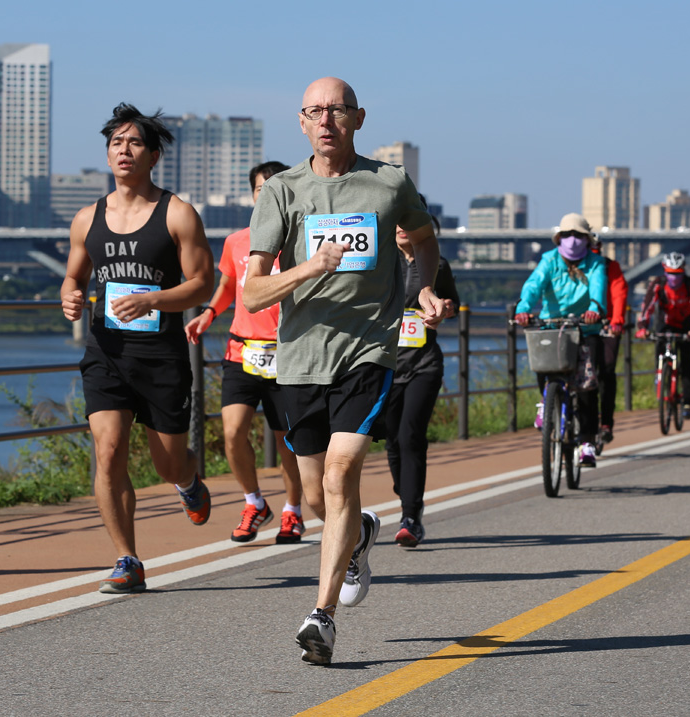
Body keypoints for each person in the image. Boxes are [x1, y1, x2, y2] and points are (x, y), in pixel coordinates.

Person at [242, 77, 445, 665]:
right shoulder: (281, 191)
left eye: (337, 109)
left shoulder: (388, 183)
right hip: (302, 357)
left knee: (341, 469)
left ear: (358, 118)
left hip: (369, 350)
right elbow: (254, 293)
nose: (326, 119)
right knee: (314, 499)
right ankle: (356, 537)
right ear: (301, 122)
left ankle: (322, 615)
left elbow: (423, 240)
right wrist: (309, 268)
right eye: (314, 111)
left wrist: (424, 284)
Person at [60, 103, 215, 594]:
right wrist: (68, 293)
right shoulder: (87, 218)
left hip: (161, 359)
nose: (123, 151)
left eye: (134, 144)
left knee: (167, 463)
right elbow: (74, 274)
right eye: (115, 143)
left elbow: (202, 285)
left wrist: (153, 298)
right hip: (106, 353)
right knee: (108, 453)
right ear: (108, 155)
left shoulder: (177, 214)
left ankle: (188, 481)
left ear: (153, 156)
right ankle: (127, 559)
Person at [184, 161, 306, 545]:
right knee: (232, 431)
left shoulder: (301, 241)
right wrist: (207, 313)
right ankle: (254, 502)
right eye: (259, 188)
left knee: (289, 442)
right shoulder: (238, 241)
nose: (265, 193)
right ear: (253, 195)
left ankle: (292, 511)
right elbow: (227, 286)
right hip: (242, 352)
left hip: (287, 354)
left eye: (274, 187)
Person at [385, 212, 460, 548]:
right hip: (384, 366)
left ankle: (411, 517)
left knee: (410, 436)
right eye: (396, 221)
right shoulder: (379, 262)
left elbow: (454, 302)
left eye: (408, 221)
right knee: (391, 440)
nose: (401, 227)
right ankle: (408, 492)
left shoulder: (436, 264)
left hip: (423, 364)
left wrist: (444, 307)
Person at [514, 213, 606, 468]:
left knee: (587, 384)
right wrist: (523, 308)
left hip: (585, 327)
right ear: (559, 239)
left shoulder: (596, 263)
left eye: (578, 235)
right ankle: (546, 402)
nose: (572, 240)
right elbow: (533, 285)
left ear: (587, 240)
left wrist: (595, 308)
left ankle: (587, 442)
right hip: (552, 325)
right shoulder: (549, 260)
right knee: (543, 362)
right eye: (567, 235)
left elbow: (598, 288)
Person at [635, 252, 690, 419]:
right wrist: (643, 327)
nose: (674, 277)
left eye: (678, 274)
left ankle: (688, 402)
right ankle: (661, 374)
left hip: (687, 326)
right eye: (670, 273)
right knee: (660, 347)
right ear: (665, 271)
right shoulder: (658, 284)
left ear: (683, 272)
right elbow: (647, 306)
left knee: (686, 363)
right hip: (665, 324)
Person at [590, 237, 628, 445]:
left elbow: (618, 293)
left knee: (605, 371)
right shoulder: (569, 265)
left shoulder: (609, 266)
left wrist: (616, 322)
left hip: (606, 324)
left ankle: (605, 422)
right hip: (581, 323)